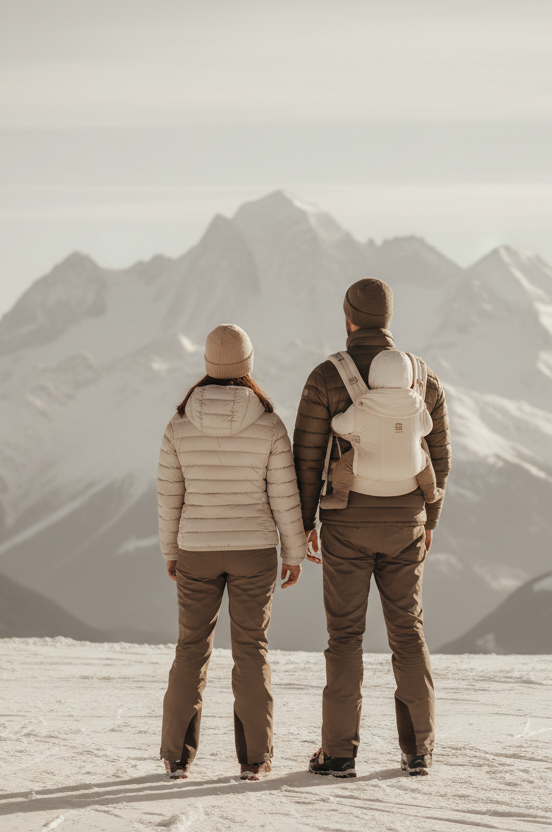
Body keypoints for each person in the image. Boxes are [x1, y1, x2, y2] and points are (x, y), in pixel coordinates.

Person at [293, 277, 450, 778]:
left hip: (346, 523)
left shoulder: (326, 377)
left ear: (349, 319)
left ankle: (339, 753)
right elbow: (439, 455)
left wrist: (304, 524)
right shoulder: (424, 378)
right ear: (388, 319)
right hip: (407, 521)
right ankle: (418, 750)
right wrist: (430, 518)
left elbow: (306, 458)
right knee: (408, 632)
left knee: (345, 637)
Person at [158, 324, 308, 782]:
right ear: (248, 363)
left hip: (197, 549)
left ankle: (177, 757)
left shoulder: (179, 423)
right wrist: (294, 553)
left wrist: (170, 550)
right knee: (251, 651)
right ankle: (255, 758)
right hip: (254, 551)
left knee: (190, 650)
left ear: (207, 363)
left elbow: (169, 495)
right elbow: (284, 495)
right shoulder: (268, 422)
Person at [318, 349, 443, 511]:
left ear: (373, 375)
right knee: (424, 457)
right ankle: (431, 492)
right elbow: (426, 429)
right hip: (410, 468)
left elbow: (340, 427)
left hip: (368, 467)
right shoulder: (417, 404)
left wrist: (336, 420)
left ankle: (339, 496)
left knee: (346, 464)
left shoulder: (363, 404)